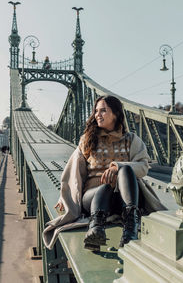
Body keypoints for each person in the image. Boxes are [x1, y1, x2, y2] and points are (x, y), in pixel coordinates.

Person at [43, 95, 166, 251]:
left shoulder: (132, 140)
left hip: (123, 200)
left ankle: (130, 228)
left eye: (103, 111)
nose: (97, 115)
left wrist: (117, 167)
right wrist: (64, 196)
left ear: (115, 114)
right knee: (105, 187)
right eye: (96, 111)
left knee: (125, 169)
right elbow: (72, 173)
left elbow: (143, 167)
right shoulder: (87, 140)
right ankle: (95, 228)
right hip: (94, 199)